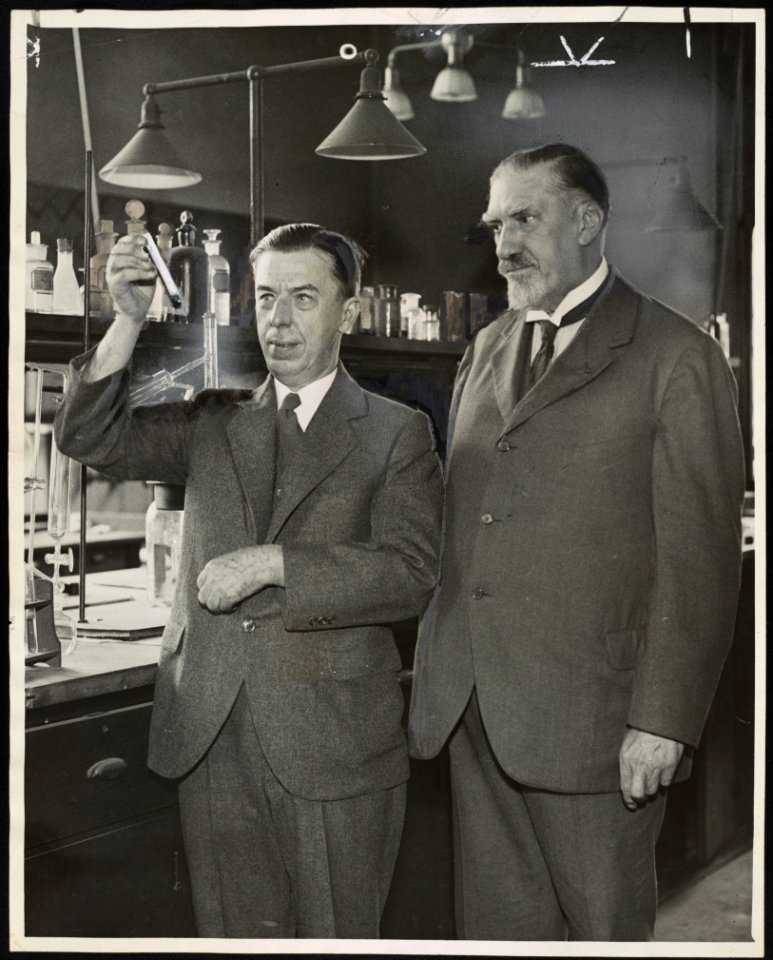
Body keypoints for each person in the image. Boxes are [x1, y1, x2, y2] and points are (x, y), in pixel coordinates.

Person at [54, 223, 443, 939]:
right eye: (265, 298)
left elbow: (410, 573)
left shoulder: (396, 431)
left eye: (302, 298)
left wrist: (274, 563)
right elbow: (88, 439)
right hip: (211, 731)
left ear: (348, 313)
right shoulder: (214, 418)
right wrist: (128, 319)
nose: (278, 320)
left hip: (332, 744)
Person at [408, 143, 745, 941]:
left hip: (597, 726)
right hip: (473, 710)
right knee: (498, 934)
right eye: (494, 223)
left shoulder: (676, 357)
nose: (503, 243)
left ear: (589, 221)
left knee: (601, 933)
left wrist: (662, 720)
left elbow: (700, 562)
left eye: (525, 217)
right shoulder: (486, 350)